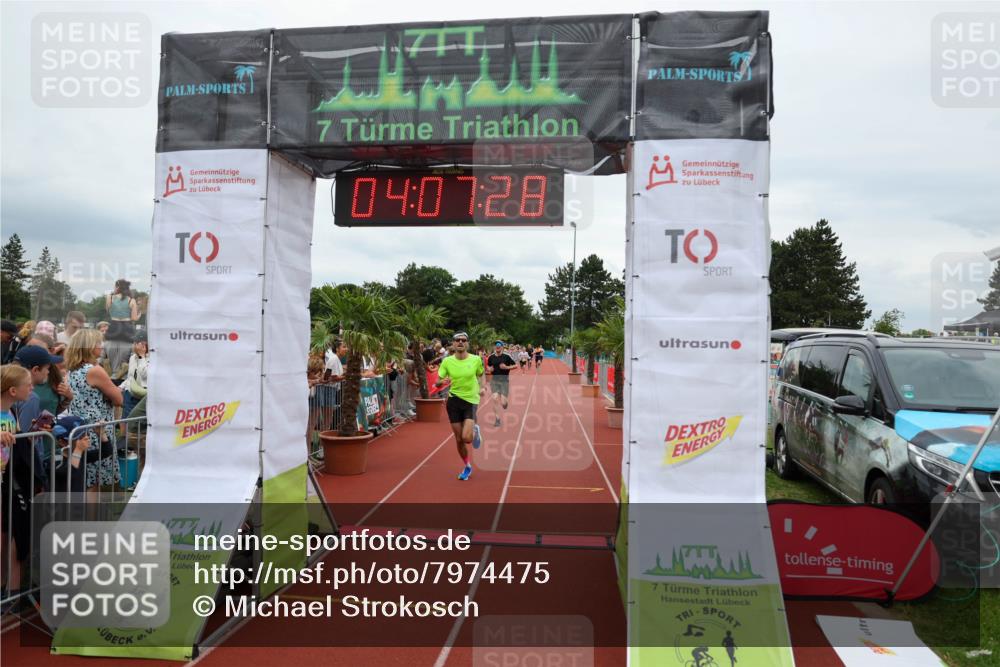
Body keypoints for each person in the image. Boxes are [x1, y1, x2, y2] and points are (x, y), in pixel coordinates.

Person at [66, 328, 122, 489]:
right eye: (99, 343)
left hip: (79, 428)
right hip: (97, 429)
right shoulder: (94, 370)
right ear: (89, 346)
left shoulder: (72, 369)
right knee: (94, 482)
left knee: (85, 478)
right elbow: (119, 400)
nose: (102, 346)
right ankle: (93, 515)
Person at [1, 364, 34, 600]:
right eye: (28, 385)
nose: (32, 388)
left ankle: (5, 589)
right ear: (13, 390)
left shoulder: (11, 412)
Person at [436, 332, 485, 481]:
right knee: (459, 440)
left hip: (470, 400)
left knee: (467, 438)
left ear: (467, 343)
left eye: (463, 340)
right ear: (453, 344)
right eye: (457, 340)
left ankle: (475, 431)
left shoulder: (476, 359)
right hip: (454, 401)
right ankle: (467, 466)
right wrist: (442, 382)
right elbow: (438, 381)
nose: (460, 342)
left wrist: (482, 387)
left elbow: (481, 374)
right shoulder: (447, 362)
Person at [104, 279, 139, 380]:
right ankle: (123, 374)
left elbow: (108, 310)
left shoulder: (109, 297)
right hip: (127, 328)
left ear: (117, 287)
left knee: (110, 353)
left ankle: (113, 373)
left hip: (114, 327)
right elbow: (134, 318)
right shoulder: (131, 300)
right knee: (127, 355)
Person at [486, 341, 516, 427]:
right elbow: (488, 366)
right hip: (494, 381)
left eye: (499, 345)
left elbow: (515, 365)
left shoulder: (507, 356)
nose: (497, 346)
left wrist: (506, 367)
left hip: (504, 381)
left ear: (502, 347)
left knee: (503, 403)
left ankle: (505, 403)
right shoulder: (491, 357)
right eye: (496, 345)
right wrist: (489, 369)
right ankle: (497, 419)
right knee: (494, 398)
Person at [122, 331, 148, 418]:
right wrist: (121, 387)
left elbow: (145, 375)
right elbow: (130, 377)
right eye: (134, 343)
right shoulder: (133, 357)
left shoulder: (152, 358)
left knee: (136, 426)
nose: (135, 346)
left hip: (143, 397)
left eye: (138, 343)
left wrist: (142, 356)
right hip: (130, 395)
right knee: (125, 421)